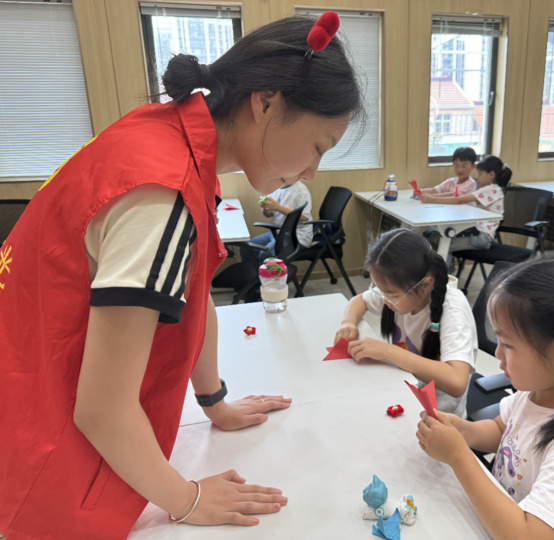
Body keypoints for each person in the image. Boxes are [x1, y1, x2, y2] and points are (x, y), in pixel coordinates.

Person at [0, 14, 363, 539]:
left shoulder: (168, 138)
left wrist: (214, 402)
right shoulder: (162, 192)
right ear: (266, 103)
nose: (311, 171)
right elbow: (102, 410)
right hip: (40, 445)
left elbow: (195, 295)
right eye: (319, 147)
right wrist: (188, 499)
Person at [416, 257, 554, 540]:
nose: (497, 354)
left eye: (508, 344)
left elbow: (529, 534)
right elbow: (502, 430)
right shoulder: (537, 391)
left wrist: (457, 456)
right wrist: (463, 431)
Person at [335, 229, 477, 417]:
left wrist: (388, 351)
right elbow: (360, 300)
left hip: (437, 416)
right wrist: (348, 323)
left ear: (426, 284)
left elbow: (457, 382)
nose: (384, 298)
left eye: (391, 294)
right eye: (379, 290)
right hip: (402, 392)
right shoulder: (399, 290)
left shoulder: (452, 312)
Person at [421, 155, 512, 264]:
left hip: (481, 237)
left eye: (480, 173)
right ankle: (444, 270)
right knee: (436, 237)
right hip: (477, 233)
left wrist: (432, 199)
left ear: (491, 175)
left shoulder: (490, 190)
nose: (477, 177)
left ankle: (445, 272)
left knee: (443, 243)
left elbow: (459, 199)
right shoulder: (494, 190)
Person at [246, 180, 313, 262]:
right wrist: (266, 208)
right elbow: (268, 215)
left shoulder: (301, 190)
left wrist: (278, 207)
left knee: (266, 254)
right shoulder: (275, 188)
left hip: (297, 237)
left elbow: (304, 218)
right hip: (279, 233)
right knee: (247, 247)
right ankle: (256, 270)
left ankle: (266, 270)